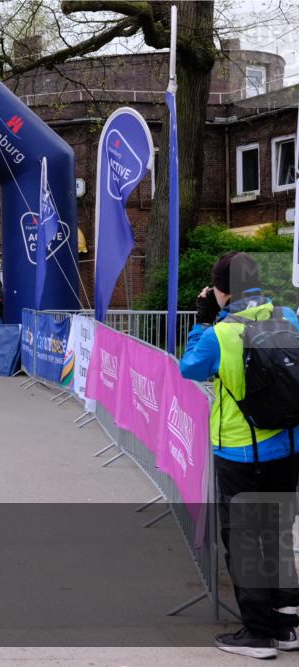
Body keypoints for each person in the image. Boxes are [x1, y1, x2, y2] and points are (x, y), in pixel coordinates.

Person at [179, 252, 299, 659]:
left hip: (239, 450)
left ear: (220, 289)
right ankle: (287, 626)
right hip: (287, 445)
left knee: (245, 540)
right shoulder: (289, 316)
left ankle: (258, 634)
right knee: (278, 534)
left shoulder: (221, 332)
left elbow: (190, 369)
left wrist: (201, 319)